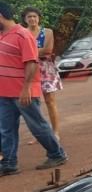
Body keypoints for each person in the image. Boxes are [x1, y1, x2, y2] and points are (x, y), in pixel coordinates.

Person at [0, 1, 68, 176]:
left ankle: (57, 154)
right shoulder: (2, 35)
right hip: (4, 92)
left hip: (23, 91)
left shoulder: (23, 35)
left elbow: (31, 63)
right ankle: (9, 163)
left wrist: (26, 88)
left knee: (37, 125)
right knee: (6, 129)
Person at [22, 7, 63, 142]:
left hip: (46, 69)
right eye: (29, 17)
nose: (32, 19)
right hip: (30, 70)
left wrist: (30, 52)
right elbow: (22, 51)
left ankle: (55, 132)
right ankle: (41, 134)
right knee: (34, 104)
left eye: (34, 16)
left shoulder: (47, 32)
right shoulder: (23, 33)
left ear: (39, 18)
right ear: (25, 19)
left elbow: (48, 50)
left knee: (50, 101)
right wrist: (37, 51)